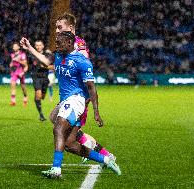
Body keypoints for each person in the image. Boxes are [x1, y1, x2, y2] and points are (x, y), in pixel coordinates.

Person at [20, 31, 121, 178]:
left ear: (69, 43)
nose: (56, 45)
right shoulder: (59, 56)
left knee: (58, 128)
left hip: (77, 100)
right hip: (65, 100)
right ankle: (106, 159)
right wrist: (29, 47)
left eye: (59, 43)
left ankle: (56, 169)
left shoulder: (82, 61)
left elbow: (92, 88)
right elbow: (45, 61)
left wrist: (96, 112)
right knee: (69, 144)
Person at [53, 13, 116, 164]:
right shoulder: (65, 44)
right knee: (58, 121)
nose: (56, 30)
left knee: (66, 131)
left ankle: (105, 155)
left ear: (70, 28)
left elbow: (82, 66)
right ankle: (103, 154)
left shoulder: (78, 45)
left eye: (59, 27)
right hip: (70, 95)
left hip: (80, 96)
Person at [29, 40, 51, 121]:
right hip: (36, 78)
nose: (38, 47)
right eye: (37, 45)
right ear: (35, 46)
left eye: (40, 45)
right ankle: (41, 115)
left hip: (45, 78)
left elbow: (52, 66)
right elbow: (29, 65)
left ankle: (37, 99)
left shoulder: (48, 55)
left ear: (43, 46)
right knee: (38, 94)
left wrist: (44, 66)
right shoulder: (31, 56)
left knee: (42, 97)